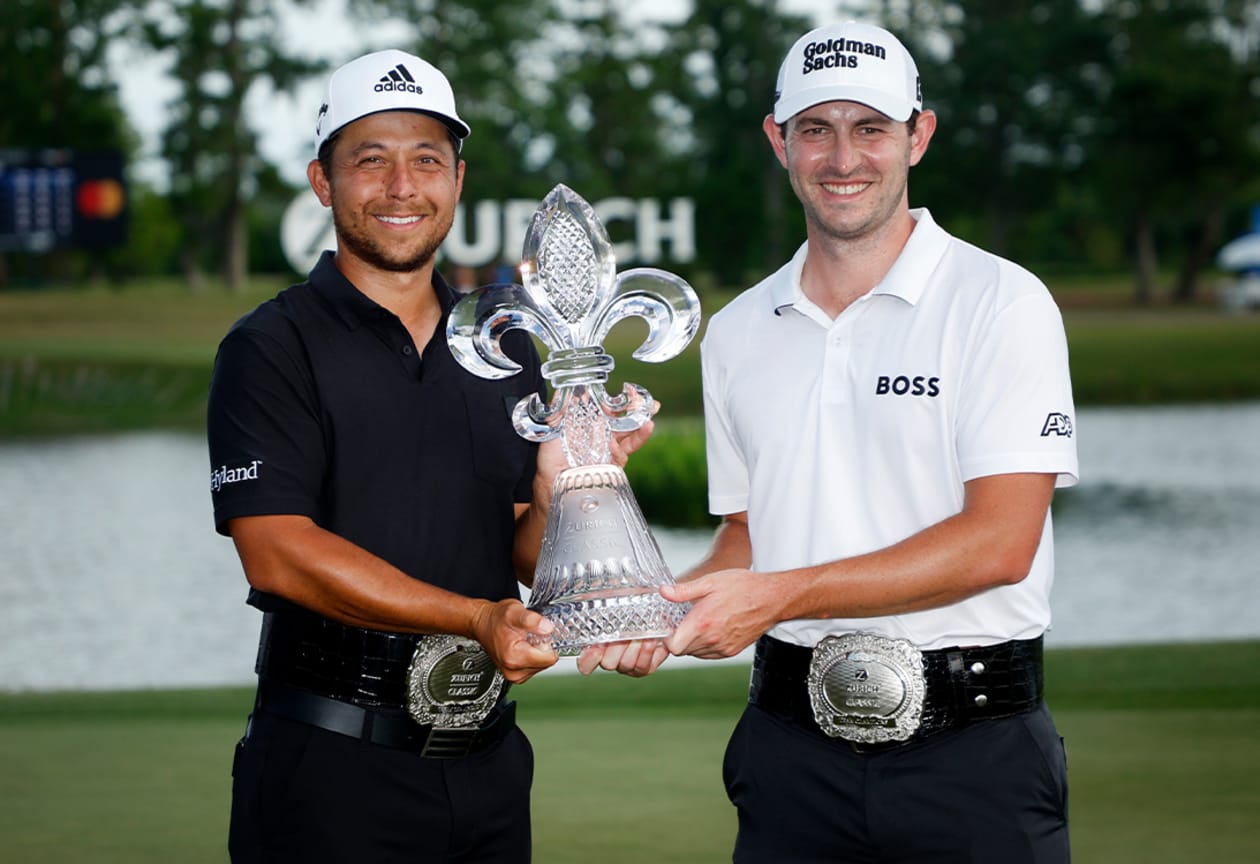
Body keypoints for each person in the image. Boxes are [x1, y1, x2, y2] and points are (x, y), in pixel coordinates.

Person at [207, 48, 650, 862]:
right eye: (370, 160)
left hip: (487, 765)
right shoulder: (271, 346)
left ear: (457, 179)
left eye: (426, 160)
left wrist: (563, 496)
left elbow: (523, 552)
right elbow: (277, 554)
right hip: (330, 764)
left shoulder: (505, 344)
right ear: (322, 182)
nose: (402, 186)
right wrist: (475, 619)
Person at [654, 21, 1079, 863]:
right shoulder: (737, 330)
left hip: (974, 754)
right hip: (788, 754)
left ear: (918, 136)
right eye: (816, 128)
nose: (842, 157)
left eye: (870, 128)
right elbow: (749, 533)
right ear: (779, 141)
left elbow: (1000, 543)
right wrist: (661, 610)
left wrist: (778, 597)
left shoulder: (1001, 302)